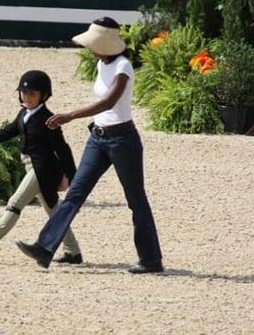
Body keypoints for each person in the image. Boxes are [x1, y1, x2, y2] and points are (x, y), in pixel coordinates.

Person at [15, 17, 164, 274]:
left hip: (122, 140)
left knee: (135, 199)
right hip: (98, 137)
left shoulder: (124, 66)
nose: (90, 48)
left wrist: (71, 115)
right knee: (75, 194)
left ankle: (151, 259)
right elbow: (104, 107)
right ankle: (45, 247)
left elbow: (109, 102)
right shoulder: (100, 63)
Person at [0, 70, 83, 264]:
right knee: (53, 211)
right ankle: (73, 251)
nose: (27, 97)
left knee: (15, 202)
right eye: (24, 93)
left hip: (42, 169)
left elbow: (62, 149)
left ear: (43, 96)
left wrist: (72, 176)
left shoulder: (48, 119)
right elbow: (8, 131)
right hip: (30, 166)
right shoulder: (24, 113)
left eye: (32, 94)